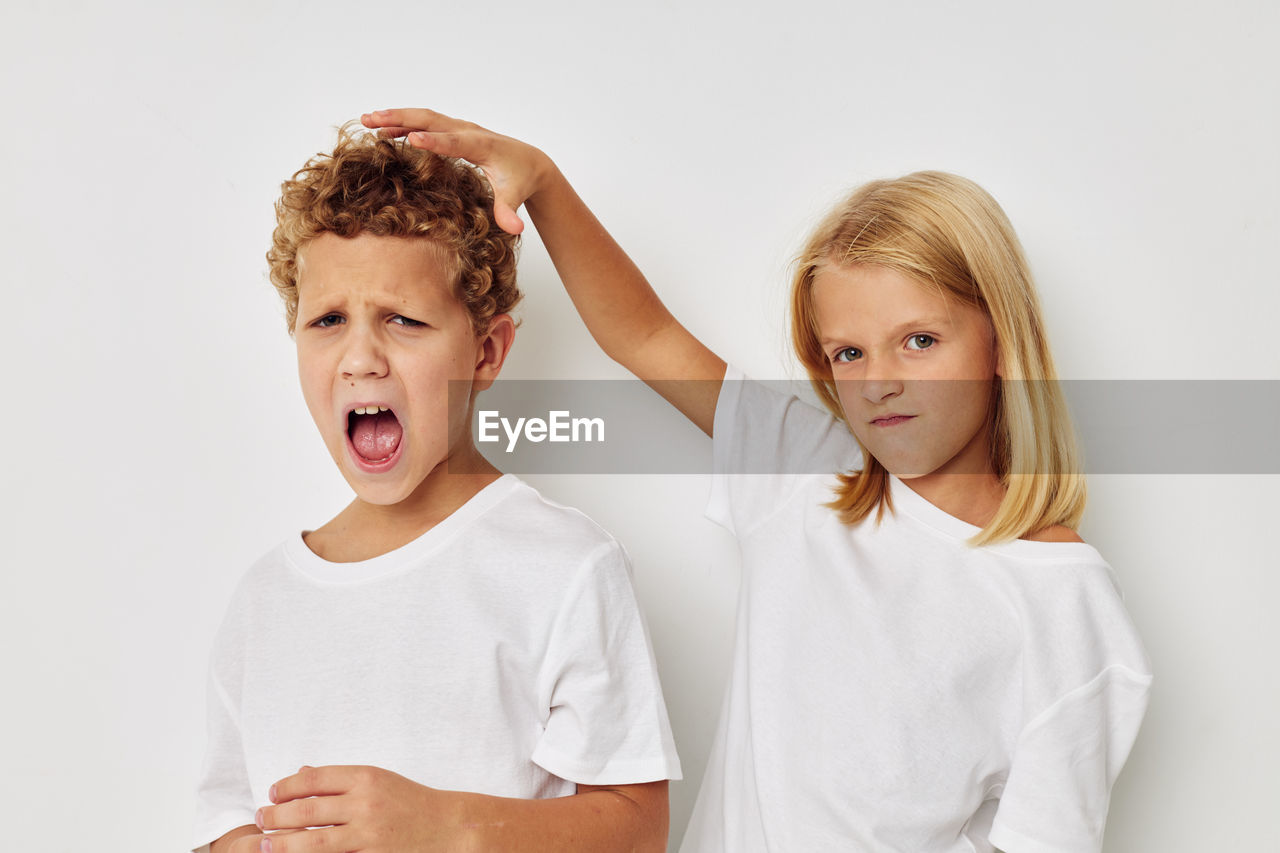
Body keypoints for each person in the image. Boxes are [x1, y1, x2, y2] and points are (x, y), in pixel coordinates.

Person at [360, 108, 1153, 852]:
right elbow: (643, 335)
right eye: (848, 352)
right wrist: (545, 183)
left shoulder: (1067, 603)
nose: (879, 382)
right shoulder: (807, 472)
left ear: (1001, 345)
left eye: (918, 340)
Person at [193, 126, 681, 853]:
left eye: (403, 320)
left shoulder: (565, 565)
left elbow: (637, 827)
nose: (360, 357)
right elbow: (220, 821)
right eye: (328, 320)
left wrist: (445, 826)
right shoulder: (263, 598)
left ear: (485, 352)